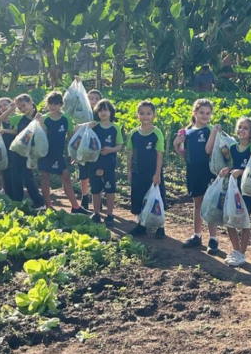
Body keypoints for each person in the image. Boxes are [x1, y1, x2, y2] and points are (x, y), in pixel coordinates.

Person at [209, 118, 251, 268]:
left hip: (246, 189)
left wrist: (242, 171)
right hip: (232, 188)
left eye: (246, 128)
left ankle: (242, 252)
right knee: (229, 218)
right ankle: (235, 250)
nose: (241, 130)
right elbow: (231, 163)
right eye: (239, 127)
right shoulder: (233, 148)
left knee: (244, 220)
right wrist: (228, 169)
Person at [174, 99, 219, 253]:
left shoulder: (211, 131)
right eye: (201, 112)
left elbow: (211, 152)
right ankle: (197, 235)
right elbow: (183, 156)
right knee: (198, 204)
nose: (205, 116)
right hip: (193, 172)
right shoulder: (187, 132)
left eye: (208, 113)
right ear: (195, 113)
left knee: (211, 205)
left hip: (209, 172)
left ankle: (213, 239)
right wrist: (176, 144)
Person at [0, 94, 45, 210]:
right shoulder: (19, 118)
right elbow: (1, 120)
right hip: (18, 151)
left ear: (30, 102)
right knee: (15, 176)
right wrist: (12, 108)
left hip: (31, 152)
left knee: (28, 176)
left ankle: (39, 202)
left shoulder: (39, 117)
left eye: (24, 106)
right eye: (20, 108)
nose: (23, 109)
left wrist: (40, 121)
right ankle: (17, 202)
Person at [37, 91, 83, 213]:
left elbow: (71, 137)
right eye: (51, 103)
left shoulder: (66, 118)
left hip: (58, 154)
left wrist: (74, 153)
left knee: (66, 178)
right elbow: (41, 136)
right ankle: (48, 206)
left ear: (61, 105)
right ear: (47, 104)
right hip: (45, 154)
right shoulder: (44, 118)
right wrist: (40, 123)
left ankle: (76, 207)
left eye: (56, 104)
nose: (53, 106)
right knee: (45, 178)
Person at [127, 100, 166, 239]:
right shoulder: (134, 134)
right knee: (138, 197)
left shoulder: (157, 133)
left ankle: (161, 226)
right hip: (138, 171)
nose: (145, 116)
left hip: (152, 172)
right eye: (142, 113)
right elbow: (130, 153)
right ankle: (141, 225)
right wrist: (129, 170)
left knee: (157, 198)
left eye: (148, 113)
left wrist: (157, 174)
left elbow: (159, 154)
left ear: (154, 115)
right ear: (137, 115)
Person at [88, 99, 123, 225]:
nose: (103, 112)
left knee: (110, 189)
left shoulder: (115, 128)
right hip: (94, 162)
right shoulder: (93, 126)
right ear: (96, 112)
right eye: (100, 110)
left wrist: (110, 150)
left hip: (109, 163)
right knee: (95, 189)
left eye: (106, 110)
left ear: (111, 112)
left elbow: (119, 145)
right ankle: (96, 213)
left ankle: (109, 214)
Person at [76, 88, 103, 213]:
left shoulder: (103, 113)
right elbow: (75, 129)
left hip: (98, 150)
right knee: (84, 174)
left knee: (98, 174)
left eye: (97, 98)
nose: (94, 101)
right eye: (91, 98)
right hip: (83, 149)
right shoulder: (82, 114)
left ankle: (97, 198)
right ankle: (85, 196)